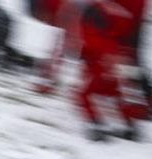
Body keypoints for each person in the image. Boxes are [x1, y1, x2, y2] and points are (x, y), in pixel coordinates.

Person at [27, 0, 144, 141]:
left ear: (43, 10)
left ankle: (95, 125)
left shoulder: (68, 13)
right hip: (116, 43)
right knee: (113, 93)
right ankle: (129, 126)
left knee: (81, 95)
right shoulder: (81, 8)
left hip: (105, 54)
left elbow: (62, 50)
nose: (44, 22)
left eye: (41, 18)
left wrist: (47, 80)